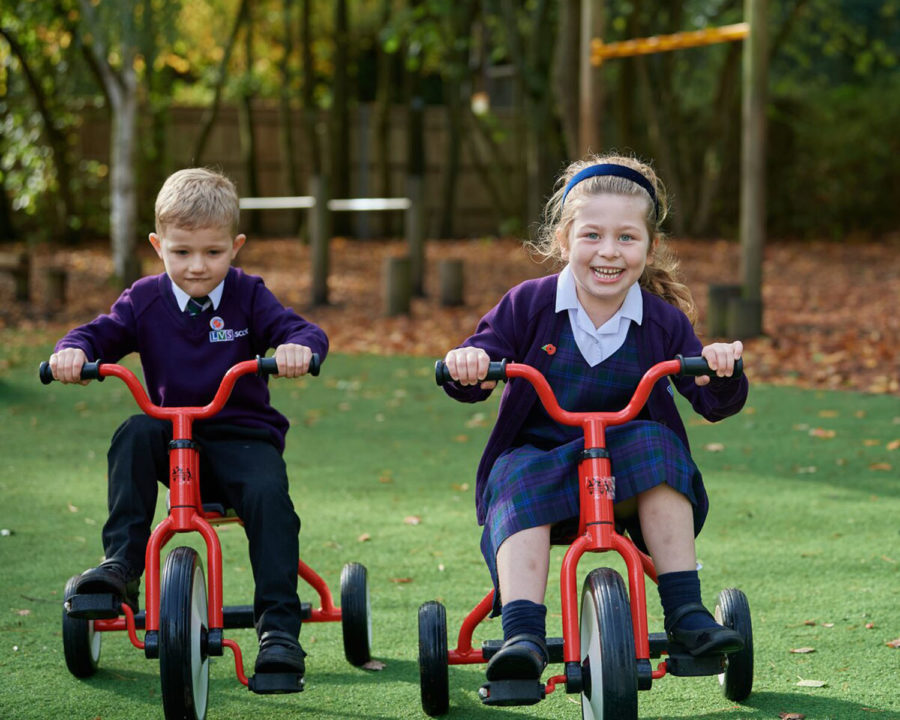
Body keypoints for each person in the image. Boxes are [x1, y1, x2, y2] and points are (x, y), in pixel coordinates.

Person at [441, 153, 748, 682]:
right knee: (514, 476)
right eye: (592, 235)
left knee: (660, 447)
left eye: (628, 238)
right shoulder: (528, 305)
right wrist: (468, 366)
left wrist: (718, 371)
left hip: (627, 468)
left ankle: (686, 613)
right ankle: (521, 634)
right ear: (563, 240)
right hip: (541, 458)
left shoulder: (661, 321)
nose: (609, 252)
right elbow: (481, 363)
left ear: (650, 248)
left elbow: (709, 401)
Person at [48, 167, 327, 679]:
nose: (197, 267)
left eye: (213, 253)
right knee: (133, 433)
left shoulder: (248, 295)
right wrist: (73, 352)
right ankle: (121, 570)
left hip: (243, 439)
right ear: (158, 246)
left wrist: (298, 348)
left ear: (235, 246)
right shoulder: (144, 300)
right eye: (182, 252)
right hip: (173, 438)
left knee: (270, 500)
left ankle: (280, 631)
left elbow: (298, 329)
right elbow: (99, 334)